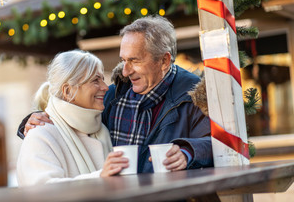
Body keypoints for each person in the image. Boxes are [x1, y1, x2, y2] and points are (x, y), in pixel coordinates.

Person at [18, 15, 213, 173]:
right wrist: (31, 121)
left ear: (164, 61)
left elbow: (221, 142)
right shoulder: (113, 96)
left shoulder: (195, 94)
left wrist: (188, 151)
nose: (126, 71)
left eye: (134, 61)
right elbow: (73, 119)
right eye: (124, 60)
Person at [16, 50, 129, 186]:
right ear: (68, 91)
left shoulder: (101, 129)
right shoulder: (40, 135)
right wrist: (100, 177)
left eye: (103, 79)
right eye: (95, 80)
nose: (105, 87)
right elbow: (42, 192)